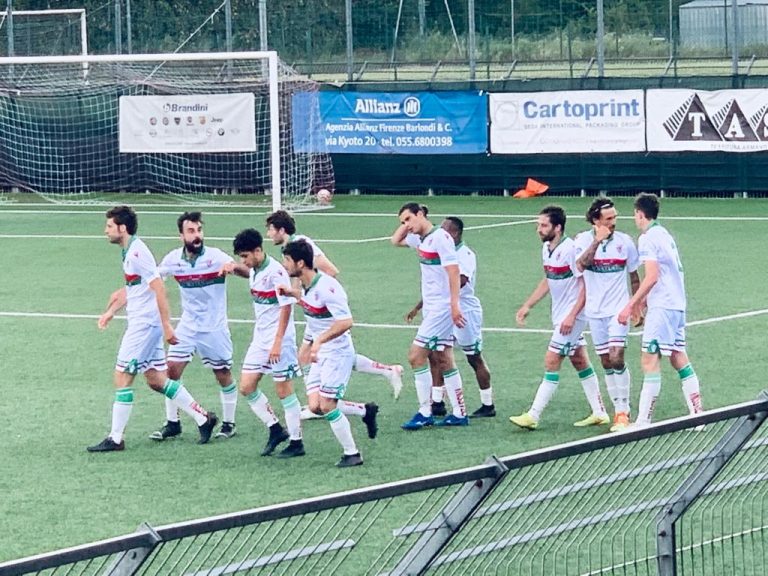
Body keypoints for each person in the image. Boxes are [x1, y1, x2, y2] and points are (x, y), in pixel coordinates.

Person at [88, 206, 217, 452]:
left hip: (144, 325)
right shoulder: (129, 251)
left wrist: (167, 325)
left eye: (109, 226)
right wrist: (111, 311)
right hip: (146, 323)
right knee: (156, 379)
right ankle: (203, 418)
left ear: (122, 228)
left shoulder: (138, 252)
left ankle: (116, 438)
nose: (106, 231)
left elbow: (159, 287)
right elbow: (137, 288)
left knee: (122, 376)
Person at [265, 210, 404, 410]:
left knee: (306, 355)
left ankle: (318, 403)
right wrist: (297, 294)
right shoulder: (289, 248)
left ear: (281, 230)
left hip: (322, 309)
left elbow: (331, 271)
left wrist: (320, 298)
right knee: (333, 355)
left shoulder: (302, 244)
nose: (268, 234)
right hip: (313, 307)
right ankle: (387, 371)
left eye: (270, 229)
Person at [278, 239, 378, 467]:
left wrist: (319, 340)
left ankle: (352, 454)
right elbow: (313, 305)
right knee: (315, 406)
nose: (284, 264)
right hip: (321, 353)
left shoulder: (328, 287)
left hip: (337, 353)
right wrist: (293, 294)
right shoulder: (307, 285)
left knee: (327, 405)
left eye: (287, 260)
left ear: (300, 263)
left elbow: (346, 321)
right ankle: (365, 411)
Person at [510, 205, 609, 430]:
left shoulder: (571, 250)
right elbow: (548, 279)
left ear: (558, 227)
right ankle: (599, 412)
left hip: (573, 316)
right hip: (561, 315)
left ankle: (533, 415)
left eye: (544, 225)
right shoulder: (546, 249)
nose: (539, 229)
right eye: (538, 225)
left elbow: (586, 285)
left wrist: (572, 316)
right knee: (580, 360)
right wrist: (528, 305)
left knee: (552, 360)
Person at [150, 211, 237, 442]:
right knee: (170, 371)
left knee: (222, 373)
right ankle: (173, 423)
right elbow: (155, 279)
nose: (197, 235)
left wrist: (233, 268)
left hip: (214, 327)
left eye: (199, 230)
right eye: (191, 231)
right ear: (181, 236)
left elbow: (243, 270)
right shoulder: (173, 259)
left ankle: (229, 423)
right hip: (188, 325)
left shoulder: (215, 256)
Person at [618, 192, 703, 427]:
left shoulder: (647, 238)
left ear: (639, 213)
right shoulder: (664, 234)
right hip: (676, 305)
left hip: (663, 307)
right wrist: (644, 302)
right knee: (678, 356)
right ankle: (698, 416)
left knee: (649, 359)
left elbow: (652, 276)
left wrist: (631, 304)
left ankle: (643, 421)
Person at [219, 229, 305, 457]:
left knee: (284, 390)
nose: (244, 261)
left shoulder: (276, 272)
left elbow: (286, 307)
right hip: (260, 338)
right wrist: (234, 268)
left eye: (245, 256)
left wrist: (278, 342)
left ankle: (297, 442)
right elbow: (248, 273)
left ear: (258, 251)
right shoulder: (255, 270)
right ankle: (275, 429)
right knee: (246, 386)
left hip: (280, 339)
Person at [405, 217, 494, 417]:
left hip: (465, 311)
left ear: (455, 233)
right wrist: (421, 305)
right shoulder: (441, 248)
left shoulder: (465, 254)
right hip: (444, 308)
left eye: (445, 231)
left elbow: (459, 281)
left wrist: (441, 295)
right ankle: (437, 401)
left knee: (474, 357)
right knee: (437, 353)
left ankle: (488, 404)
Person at [391, 203, 469, 430]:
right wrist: (408, 225)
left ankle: (425, 411)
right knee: (444, 358)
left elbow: (453, 272)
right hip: (432, 308)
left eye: (408, 219)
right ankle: (460, 413)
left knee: (416, 356)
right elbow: (395, 240)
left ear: (421, 214)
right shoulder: (421, 239)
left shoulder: (440, 238)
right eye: (402, 222)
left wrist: (454, 305)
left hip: (441, 308)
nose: (406, 225)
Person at [574, 197, 640, 432]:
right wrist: (596, 242)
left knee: (617, 357)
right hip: (594, 312)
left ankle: (623, 410)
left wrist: (637, 305)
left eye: (615, 217)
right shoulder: (582, 241)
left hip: (618, 310)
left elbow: (634, 276)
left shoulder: (625, 242)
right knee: (605, 361)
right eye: (608, 218)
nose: (613, 222)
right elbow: (580, 266)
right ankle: (616, 408)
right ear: (595, 220)